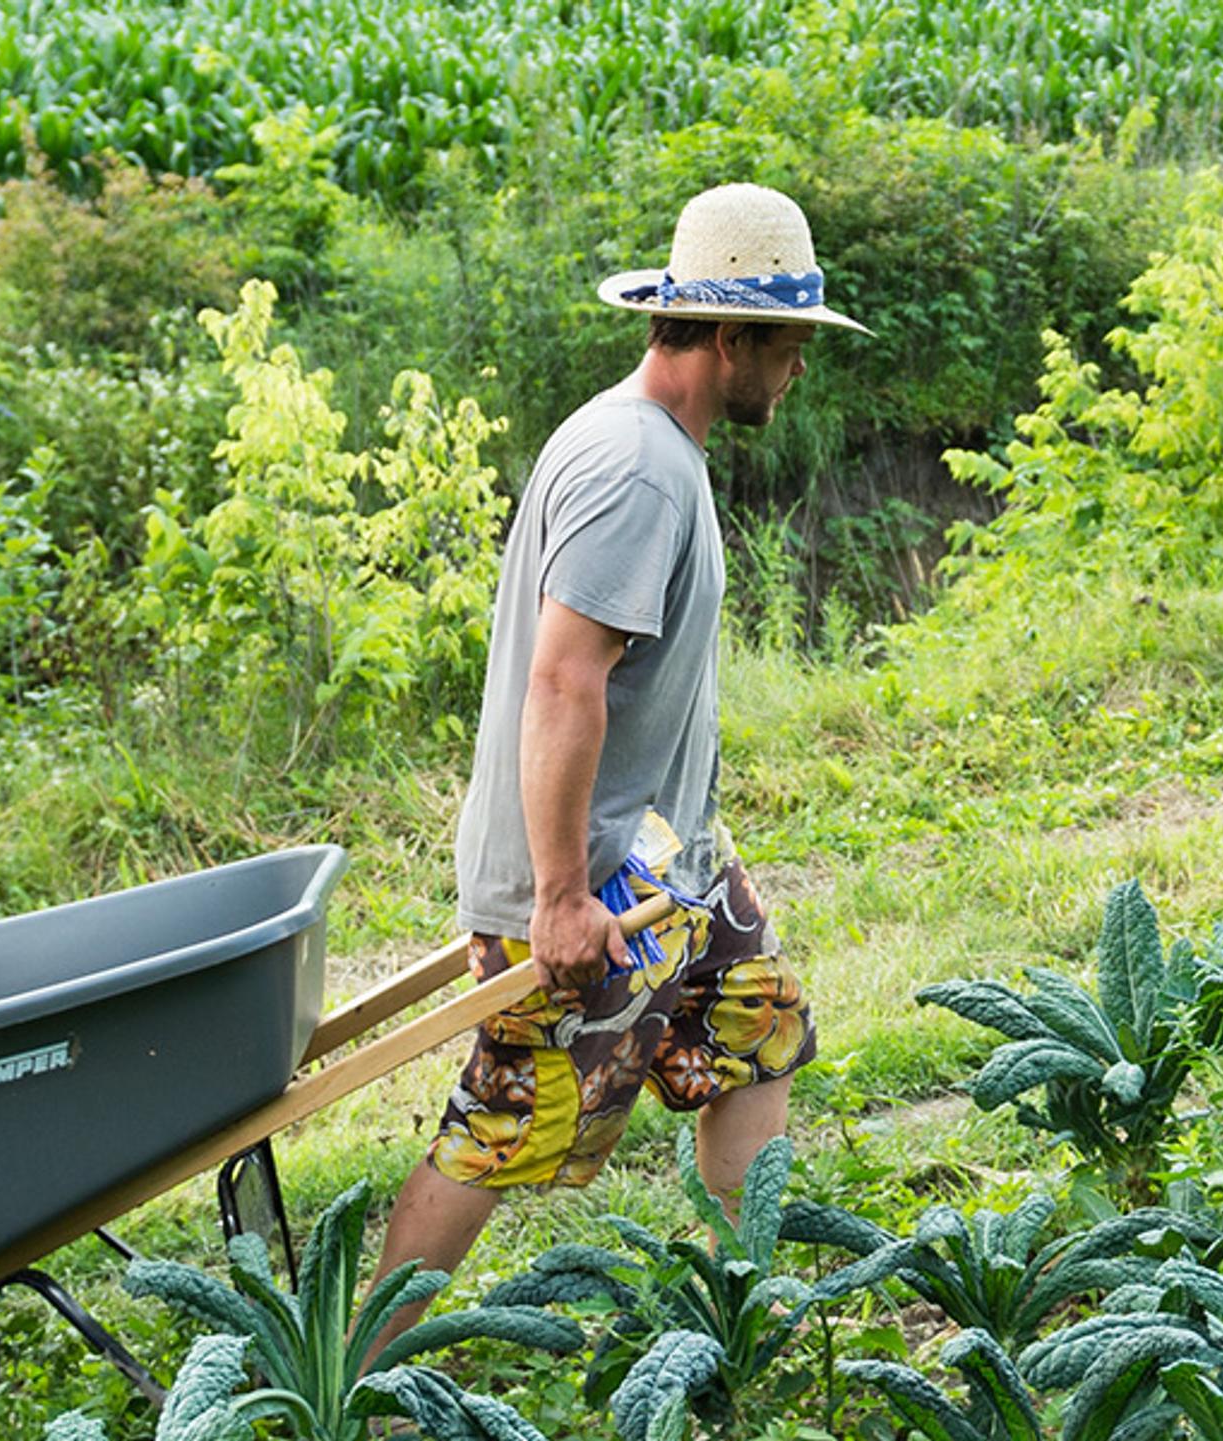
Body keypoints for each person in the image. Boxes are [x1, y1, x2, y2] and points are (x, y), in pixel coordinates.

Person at [368, 183, 868, 1318]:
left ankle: (745, 1309)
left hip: (670, 855)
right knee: (499, 1129)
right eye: (789, 346)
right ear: (730, 338)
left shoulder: (657, 447)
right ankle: (344, 1378)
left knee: (761, 1024)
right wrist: (554, 894)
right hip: (591, 883)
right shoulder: (636, 467)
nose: (800, 371)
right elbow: (564, 676)